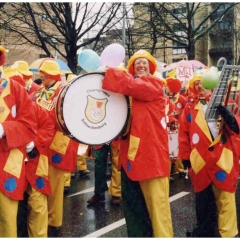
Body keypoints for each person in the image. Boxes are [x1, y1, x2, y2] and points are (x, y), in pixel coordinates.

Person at [101, 49, 173, 237]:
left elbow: (131, 85)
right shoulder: (129, 92)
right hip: (131, 158)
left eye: (144, 62)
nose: (141, 65)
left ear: (151, 67)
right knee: (134, 211)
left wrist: (109, 71)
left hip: (151, 157)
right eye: (137, 63)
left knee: (158, 211)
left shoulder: (154, 84)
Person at [178, 70, 240, 237]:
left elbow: (236, 128)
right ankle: (206, 232)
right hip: (201, 161)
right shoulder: (190, 107)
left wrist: (230, 118)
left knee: (226, 200)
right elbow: (183, 133)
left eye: (202, 82)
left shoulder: (227, 103)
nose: (199, 86)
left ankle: (228, 234)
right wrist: (185, 158)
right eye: (196, 83)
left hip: (222, 159)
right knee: (203, 201)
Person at [4, 66, 54, 237]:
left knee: (37, 203)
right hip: (9, 165)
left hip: (33, 162)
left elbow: (48, 127)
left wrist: (34, 144)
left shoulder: (35, 108)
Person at [34, 60, 79, 231]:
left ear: (51, 74)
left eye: (43, 74)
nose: (40, 77)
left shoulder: (64, 92)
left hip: (57, 143)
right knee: (44, 183)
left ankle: (54, 222)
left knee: (55, 185)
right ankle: (46, 218)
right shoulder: (42, 91)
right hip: (43, 142)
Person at [0, 45, 37, 237]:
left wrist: (4, 129)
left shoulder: (15, 89)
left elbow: (29, 127)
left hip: (7, 164)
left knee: (7, 221)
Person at [87, 140, 121, 206]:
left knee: (117, 163)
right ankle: (99, 193)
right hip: (102, 135)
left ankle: (116, 193)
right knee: (99, 163)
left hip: (116, 136)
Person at [165, 77, 188, 177]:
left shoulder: (181, 99)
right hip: (166, 127)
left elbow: (187, 111)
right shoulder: (164, 97)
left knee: (175, 148)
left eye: (167, 86)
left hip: (177, 127)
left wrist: (179, 120)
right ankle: (168, 172)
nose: (165, 87)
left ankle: (181, 170)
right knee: (168, 151)